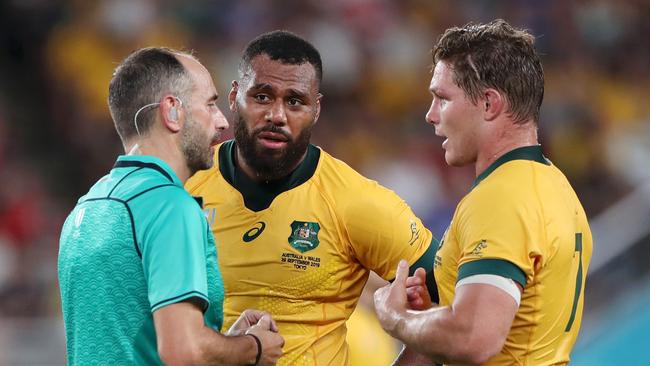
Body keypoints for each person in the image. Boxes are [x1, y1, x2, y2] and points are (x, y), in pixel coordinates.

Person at [186, 30, 438, 365]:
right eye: (262, 96)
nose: (277, 115)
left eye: (295, 102)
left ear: (316, 109)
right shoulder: (186, 184)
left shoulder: (355, 201)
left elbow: (452, 300)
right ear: (234, 96)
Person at [373, 19, 594, 365]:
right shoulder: (554, 185)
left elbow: (474, 337)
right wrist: (432, 314)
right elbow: (498, 325)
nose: (431, 116)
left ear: (489, 104)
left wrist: (396, 318)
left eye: (442, 99)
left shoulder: (501, 199)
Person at [58, 47, 284, 365]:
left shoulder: (87, 207)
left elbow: (134, 345)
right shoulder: (169, 206)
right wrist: (253, 348)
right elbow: (182, 351)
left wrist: (222, 342)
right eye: (209, 104)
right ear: (172, 111)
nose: (221, 121)